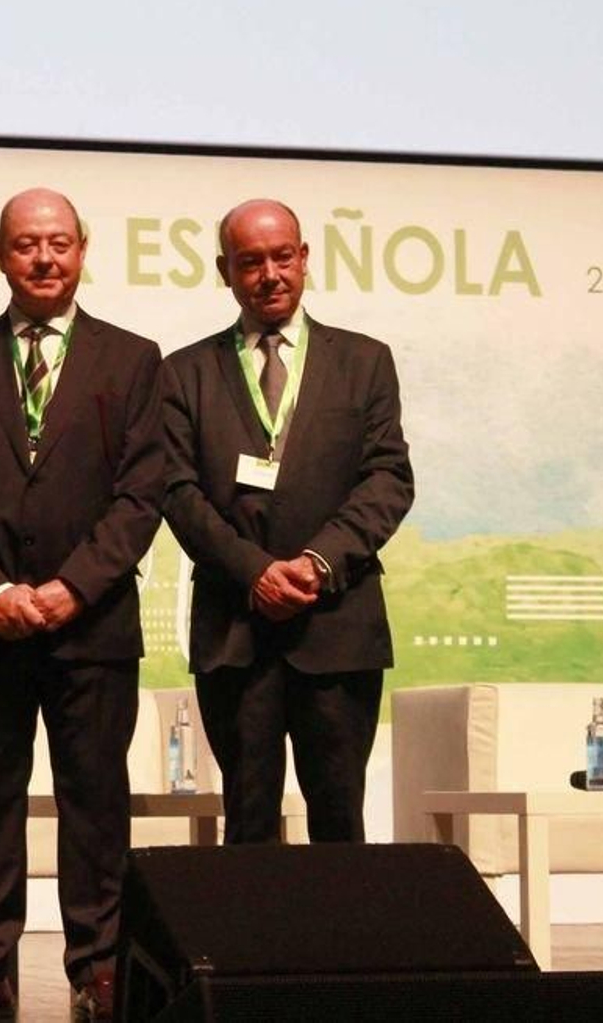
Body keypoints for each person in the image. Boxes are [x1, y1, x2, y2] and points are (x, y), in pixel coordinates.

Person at [0, 188, 164, 1023]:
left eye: (58, 242)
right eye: (26, 245)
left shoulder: (133, 361)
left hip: (91, 625)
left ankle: (98, 968)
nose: (44, 258)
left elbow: (141, 496)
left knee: (95, 804)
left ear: (83, 249)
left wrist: (72, 587)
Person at [160, 198, 413, 846]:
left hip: (337, 626)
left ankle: (341, 951)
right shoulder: (182, 373)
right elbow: (177, 490)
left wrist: (317, 564)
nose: (269, 274)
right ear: (225, 271)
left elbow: (388, 479)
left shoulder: (364, 361)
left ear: (304, 260)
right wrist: (255, 571)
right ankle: (250, 952)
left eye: (282, 257)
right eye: (251, 262)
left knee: (339, 820)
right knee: (247, 823)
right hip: (235, 629)